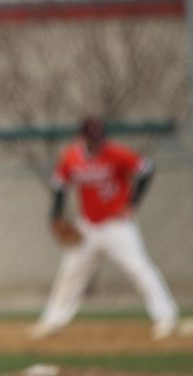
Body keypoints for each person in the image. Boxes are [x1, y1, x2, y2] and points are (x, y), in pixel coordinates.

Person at [30, 116, 177, 341]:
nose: (96, 142)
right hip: (88, 226)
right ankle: (52, 321)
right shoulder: (71, 156)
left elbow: (147, 169)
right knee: (70, 274)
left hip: (117, 226)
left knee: (138, 268)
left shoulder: (117, 153)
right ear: (82, 138)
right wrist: (55, 215)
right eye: (91, 139)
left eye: (99, 138)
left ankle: (165, 317)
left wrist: (132, 204)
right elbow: (59, 184)